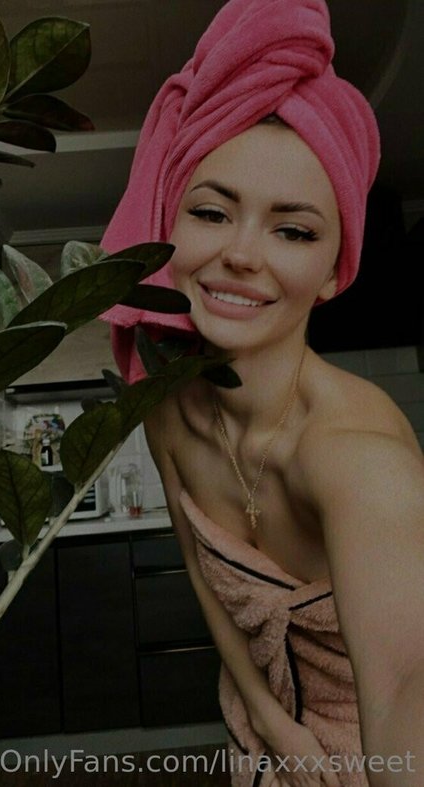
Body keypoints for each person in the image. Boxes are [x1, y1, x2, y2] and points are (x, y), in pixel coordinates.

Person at [100, 1, 424, 785]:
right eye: (212, 212)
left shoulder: (362, 463)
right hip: (259, 733)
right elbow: (203, 577)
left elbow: (402, 694)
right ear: (170, 226)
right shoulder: (165, 407)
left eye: (293, 230)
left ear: (334, 271)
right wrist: (272, 724)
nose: (243, 254)